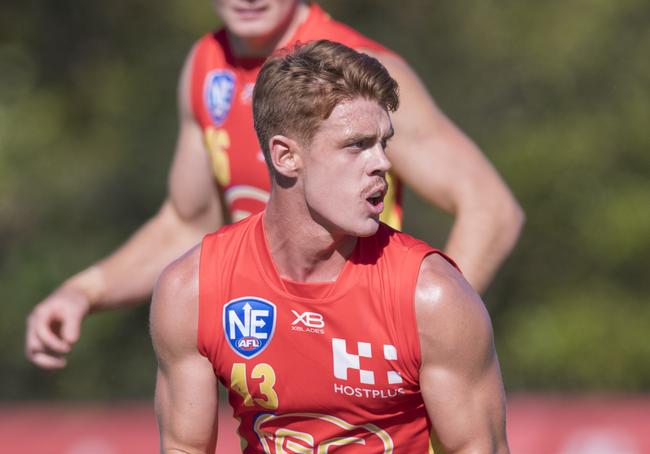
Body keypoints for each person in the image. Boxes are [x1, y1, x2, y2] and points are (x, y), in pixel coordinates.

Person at [26, 0, 524, 369]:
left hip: (367, 368)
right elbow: (186, 223)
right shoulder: (206, 66)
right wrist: (84, 290)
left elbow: (491, 209)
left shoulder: (358, 74)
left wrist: (420, 344)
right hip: (272, 367)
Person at [151, 40, 515, 454]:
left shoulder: (432, 295)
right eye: (356, 146)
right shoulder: (193, 287)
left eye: (384, 143)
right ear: (286, 156)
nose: (382, 163)